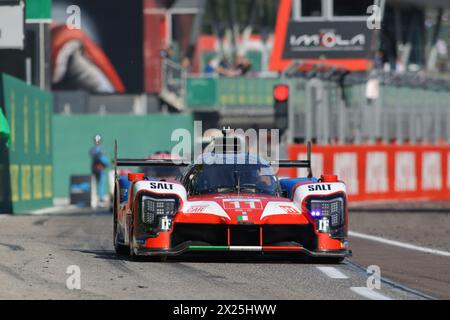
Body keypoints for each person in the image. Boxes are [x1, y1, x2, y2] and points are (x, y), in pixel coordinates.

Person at [89, 134, 109, 203]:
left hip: (97, 168)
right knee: (97, 183)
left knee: (99, 183)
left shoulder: (94, 149)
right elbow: (103, 159)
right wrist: (106, 163)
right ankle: (99, 197)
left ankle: (99, 197)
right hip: (98, 168)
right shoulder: (97, 149)